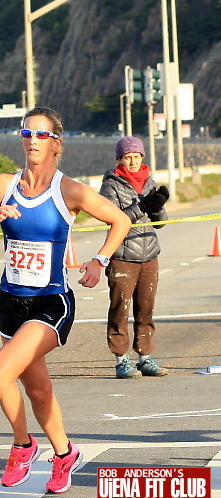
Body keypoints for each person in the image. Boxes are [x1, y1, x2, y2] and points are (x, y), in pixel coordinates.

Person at [0, 107, 131, 493]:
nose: (33, 140)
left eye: (41, 135)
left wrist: (99, 261)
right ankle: (65, 453)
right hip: (10, 301)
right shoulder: (3, 184)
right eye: (27, 133)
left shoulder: (69, 190)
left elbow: (121, 221)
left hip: (51, 302)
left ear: (56, 143)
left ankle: (23, 446)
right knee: (37, 390)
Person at [99, 136, 170, 379]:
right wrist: (142, 207)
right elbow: (111, 217)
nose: (132, 161)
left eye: (136, 156)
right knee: (120, 309)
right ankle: (121, 360)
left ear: (142, 158)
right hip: (122, 255)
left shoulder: (149, 181)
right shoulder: (111, 184)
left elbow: (161, 223)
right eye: (127, 157)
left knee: (146, 309)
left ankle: (145, 357)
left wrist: (158, 205)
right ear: (119, 159)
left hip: (150, 254)